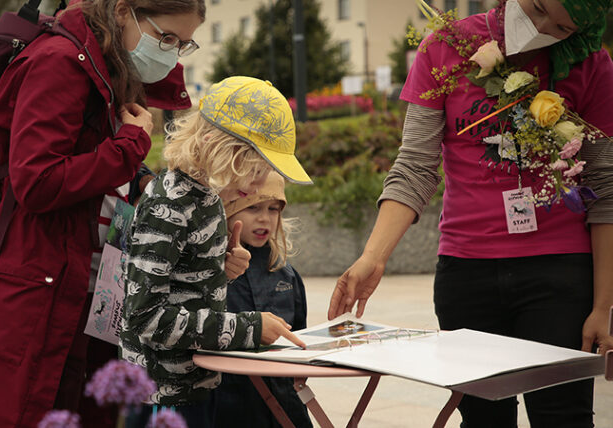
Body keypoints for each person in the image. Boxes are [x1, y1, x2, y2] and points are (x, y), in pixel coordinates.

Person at [328, 0, 613, 427]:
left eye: (561, 27)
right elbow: (415, 166)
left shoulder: (590, 63)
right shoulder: (447, 47)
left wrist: (603, 306)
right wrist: (374, 256)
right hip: (467, 271)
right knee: (482, 419)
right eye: (536, 9)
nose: (540, 28)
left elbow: (605, 188)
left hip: (559, 272)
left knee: (564, 417)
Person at [0, 1, 205, 427]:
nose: (170, 52)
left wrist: (142, 182)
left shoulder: (111, 69)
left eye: (183, 45)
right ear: (121, 11)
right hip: (40, 293)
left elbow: (93, 172)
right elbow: (36, 181)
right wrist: (129, 147)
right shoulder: (60, 61)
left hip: (90, 295)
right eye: (166, 37)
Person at [120, 76, 312, 428]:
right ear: (214, 146)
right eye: (254, 170)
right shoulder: (171, 201)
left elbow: (179, 282)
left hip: (197, 384)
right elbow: (144, 318)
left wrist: (217, 269)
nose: (257, 186)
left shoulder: (208, 197)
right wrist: (250, 328)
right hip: (161, 396)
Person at [212, 171, 312, 428]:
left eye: (274, 208)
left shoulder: (285, 273)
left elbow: (300, 336)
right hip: (228, 406)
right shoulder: (210, 271)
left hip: (284, 407)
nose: (264, 218)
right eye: (253, 207)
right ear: (227, 209)